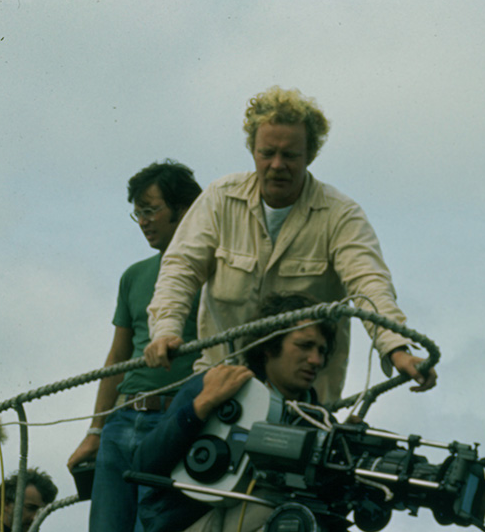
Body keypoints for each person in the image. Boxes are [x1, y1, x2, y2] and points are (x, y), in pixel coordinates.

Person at [89, 294, 379, 532]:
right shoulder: (220, 382)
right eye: (305, 346)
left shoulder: (318, 418)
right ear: (269, 345)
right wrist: (199, 407)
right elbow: (144, 462)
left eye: (323, 350)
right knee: (273, 509)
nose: (317, 360)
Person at [144, 85, 437, 404]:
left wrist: (396, 348)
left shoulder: (341, 215)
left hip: (304, 402)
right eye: (267, 153)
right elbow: (180, 269)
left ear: (310, 154)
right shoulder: (219, 199)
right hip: (219, 387)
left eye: (290, 155)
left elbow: (369, 284)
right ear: (252, 150)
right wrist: (166, 329)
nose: (277, 164)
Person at [63, 161, 204, 532]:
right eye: (137, 213)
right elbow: (118, 357)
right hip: (123, 421)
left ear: (185, 209)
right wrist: (95, 430)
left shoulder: (212, 271)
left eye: (151, 210)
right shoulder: (134, 276)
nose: (143, 221)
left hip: (172, 423)